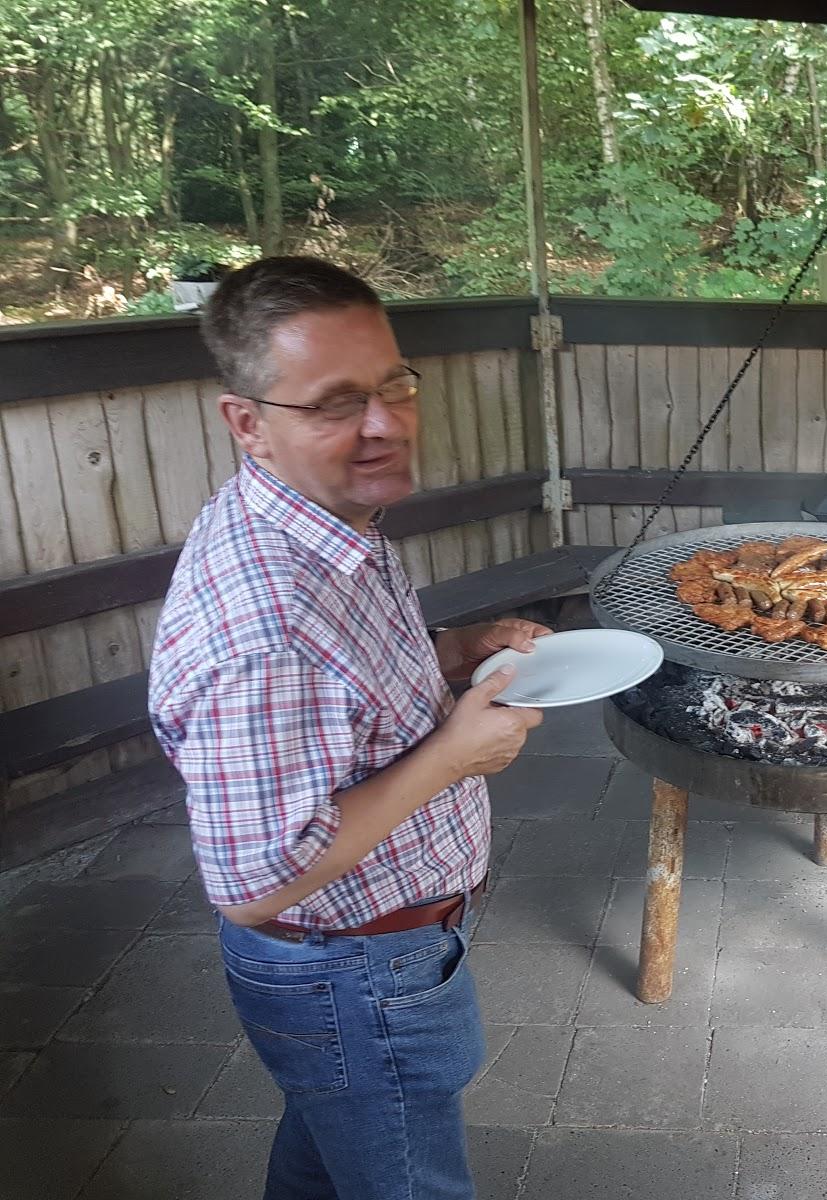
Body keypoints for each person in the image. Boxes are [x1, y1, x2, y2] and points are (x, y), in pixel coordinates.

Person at [148, 256, 547, 1199]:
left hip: (363, 970)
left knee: (332, 1160)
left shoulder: (316, 514)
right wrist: (456, 755)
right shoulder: (265, 625)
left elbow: (346, 679)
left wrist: (457, 648)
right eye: (333, 403)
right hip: (354, 974)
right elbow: (254, 885)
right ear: (246, 423)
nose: (384, 424)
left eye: (393, 384)